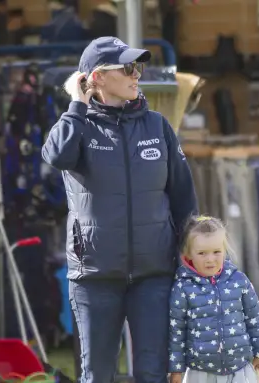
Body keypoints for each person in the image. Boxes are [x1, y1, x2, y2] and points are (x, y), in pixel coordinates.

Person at [41, 37, 198, 383]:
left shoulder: (158, 126)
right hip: (94, 277)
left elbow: (184, 197)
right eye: (128, 68)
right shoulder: (76, 126)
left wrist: (192, 255)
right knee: (96, 375)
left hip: (154, 273)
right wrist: (77, 107)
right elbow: (57, 157)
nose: (136, 75)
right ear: (96, 77)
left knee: (153, 373)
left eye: (137, 67)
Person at [168, 216, 259, 383]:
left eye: (216, 252)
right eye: (202, 253)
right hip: (200, 372)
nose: (210, 259)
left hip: (239, 369)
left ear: (225, 250)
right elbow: (176, 332)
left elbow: (255, 319)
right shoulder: (183, 288)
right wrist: (176, 369)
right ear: (188, 254)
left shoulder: (238, 280)